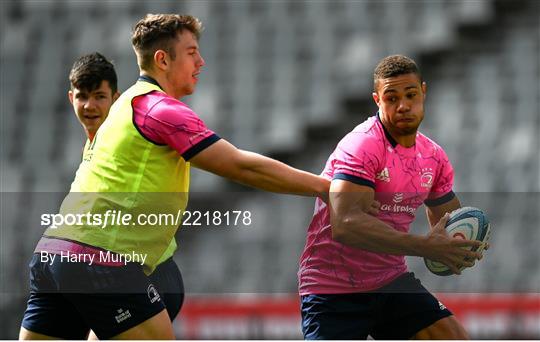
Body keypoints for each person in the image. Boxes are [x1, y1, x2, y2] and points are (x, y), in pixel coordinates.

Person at [20, 14, 330, 340]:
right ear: (163, 59)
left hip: (53, 255)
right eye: (192, 52)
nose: (201, 61)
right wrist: (325, 188)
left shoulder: (123, 105)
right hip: (100, 259)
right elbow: (241, 166)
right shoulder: (160, 110)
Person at [298, 55, 485, 339]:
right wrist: (425, 246)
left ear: (423, 91)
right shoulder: (362, 144)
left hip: (389, 280)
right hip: (333, 287)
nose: (403, 106)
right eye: (391, 98)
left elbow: (449, 223)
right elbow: (346, 224)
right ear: (377, 100)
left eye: (410, 95)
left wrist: (459, 248)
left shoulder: (434, 157)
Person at [67, 52, 186, 339]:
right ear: (71, 98)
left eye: (99, 96)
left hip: (148, 274)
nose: (90, 106)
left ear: (116, 98)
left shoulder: (128, 135)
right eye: (83, 96)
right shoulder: (94, 147)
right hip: (114, 272)